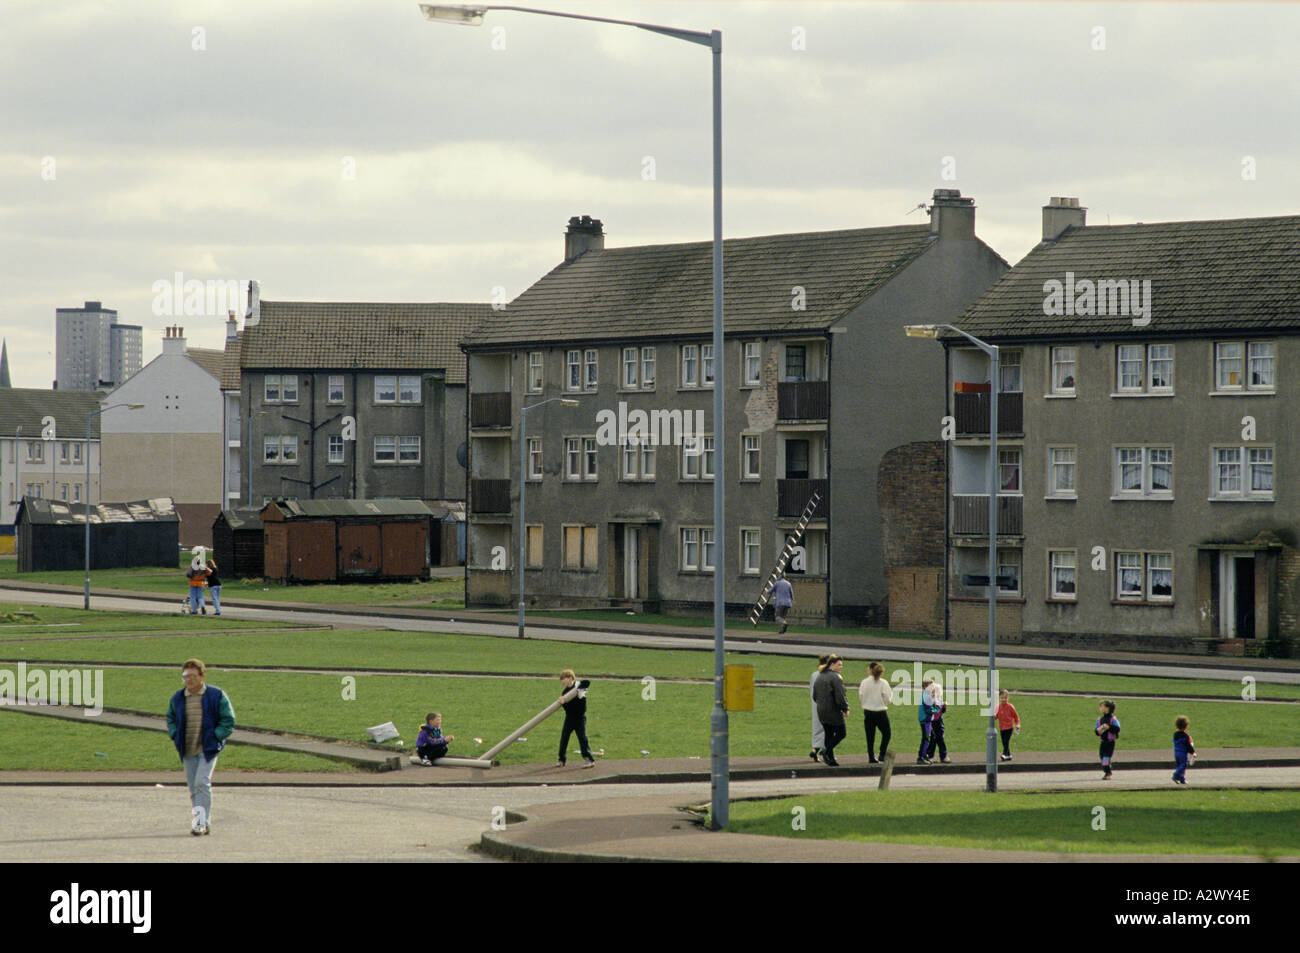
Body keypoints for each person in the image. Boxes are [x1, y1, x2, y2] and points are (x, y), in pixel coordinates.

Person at [165, 658, 235, 835]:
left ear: (202, 676)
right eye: (185, 676)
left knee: (202, 783)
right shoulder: (178, 698)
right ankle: (203, 821)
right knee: (193, 787)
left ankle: (200, 823)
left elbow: (228, 720)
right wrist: (174, 734)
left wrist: (216, 737)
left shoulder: (216, 695)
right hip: (188, 748)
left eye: (193, 676)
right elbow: (170, 718)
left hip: (208, 748)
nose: (188, 680)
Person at [812, 654, 848, 766]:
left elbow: (815, 695)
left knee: (828, 734)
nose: (841, 667)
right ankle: (826, 751)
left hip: (821, 710)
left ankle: (830, 759)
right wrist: (845, 708)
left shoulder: (820, 676)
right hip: (833, 711)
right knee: (841, 733)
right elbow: (840, 696)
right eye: (839, 664)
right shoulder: (835, 677)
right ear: (832, 664)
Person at [556, 669, 595, 768]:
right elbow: (567, 708)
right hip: (569, 718)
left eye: (564, 679)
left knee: (582, 739)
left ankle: (589, 760)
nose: (562, 681)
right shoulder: (564, 692)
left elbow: (587, 683)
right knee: (564, 738)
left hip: (580, 718)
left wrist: (579, 688)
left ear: (570, 678)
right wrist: (563, 702)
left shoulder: (579, 686)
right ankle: (561, 760)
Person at [858, 661, 892, 763]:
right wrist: (884, 703)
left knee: (870, 736)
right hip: (880, 711)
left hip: (868, 711)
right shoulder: (883, 683)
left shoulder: (864, 682)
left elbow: (861, 695)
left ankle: (871, 757)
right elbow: (887, 698)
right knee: (886, 733)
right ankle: (882, 754)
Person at [809, 653, 829, 761]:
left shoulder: (814, 675)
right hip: (826, 705)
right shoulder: (829, 675)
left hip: (816, 703)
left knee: (817, 728)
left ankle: (814, 750)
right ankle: (826, 752)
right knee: (828, 729)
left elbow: (811, 691)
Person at [925, 681, 950, 764]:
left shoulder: (939, 699)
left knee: (939, 738)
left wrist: (944, 707)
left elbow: (941, 711)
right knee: (932, 738)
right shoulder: (927, 700)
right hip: (931, 720)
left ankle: (943, 756)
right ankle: (930, 755)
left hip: (938, 720)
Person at [1095, 700, 1121, 780]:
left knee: (1106, 758)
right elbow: (1096, 731)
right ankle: (1107, 768)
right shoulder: (1100, 720)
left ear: (1107, 708)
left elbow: (1117, 729)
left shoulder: (1113, 719)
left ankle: (1108, 773)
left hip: (1110, 743)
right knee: (1102, 758)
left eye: (1102, 706)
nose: (1100, 708)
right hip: (1103, 742)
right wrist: (1097, 731)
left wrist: (1109, 727)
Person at [995, 688, 1020, 761]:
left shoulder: (1010, 707)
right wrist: (993, 717)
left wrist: (1018, 725)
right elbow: (996, 716)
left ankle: (1004, 754)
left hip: (1009, 727)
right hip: (1002, 728)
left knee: (1006, 741)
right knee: (1004, 742)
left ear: (1008, 698)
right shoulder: (998, 707)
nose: (1004, 699)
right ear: (999, 698)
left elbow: (1016, 716)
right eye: (1002, 698)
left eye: (1005, 698)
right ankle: (1009, 755)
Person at [916, 678, 937, 764]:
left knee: (932, 737)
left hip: (926, 720)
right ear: (925, 687)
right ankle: (921, 757)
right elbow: (928, 710)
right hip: (925, 720)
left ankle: (925, 755)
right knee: (926, 738)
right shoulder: (926, 696)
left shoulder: (927, 695)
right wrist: (937, 708)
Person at [1172, 715, 1196, 785]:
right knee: (1184, 764)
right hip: (1182, 753)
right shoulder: (1185, 736)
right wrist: (1193, 752)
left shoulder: (1175, 734)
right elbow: (1188, 746)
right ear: (1186, 726)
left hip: (1176, 752)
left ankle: (1182, 779)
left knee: (1179, 765)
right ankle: (1175, 776)